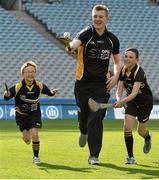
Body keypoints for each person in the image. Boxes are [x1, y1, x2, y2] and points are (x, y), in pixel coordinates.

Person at [66, 4, 123, 165]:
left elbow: (118, 62)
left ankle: (94, 155)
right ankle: (82, 129)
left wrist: (116, 76)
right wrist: (70, 46)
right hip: (83, 84)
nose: (97, 19)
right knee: (85, 119)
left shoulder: (112, 39)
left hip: (102, 85)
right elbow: (75, 43)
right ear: (92, 17)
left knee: (96, 117)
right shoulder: (86, 33)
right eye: (95, 16)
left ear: (106, 18)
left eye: (100, 17)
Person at [4, 61, 59, 164]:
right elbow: (7, 96)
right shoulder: (18, 86)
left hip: (34, 113)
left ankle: (36, 157)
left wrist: (52, 92)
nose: (31, 74)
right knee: (27, 139)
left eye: (33, 71)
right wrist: (6, 95)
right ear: (23, 74)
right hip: (21, 116)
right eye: (28, 71)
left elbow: (48, 92)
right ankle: (25, 135)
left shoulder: (39, 85)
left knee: (34, 134)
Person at [114, 47, 153, 164]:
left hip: (145, 102)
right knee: (127, 127)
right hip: (131, 101)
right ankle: (130, 157)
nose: (127, 59)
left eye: (131, 57)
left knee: (141, 130)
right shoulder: (122, 70)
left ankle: (147, 137)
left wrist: (122, 102)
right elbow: (119, 90)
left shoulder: (139, 72)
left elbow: (135, 93)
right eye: (126, 56)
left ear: (137, 60)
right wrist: (118, 100)